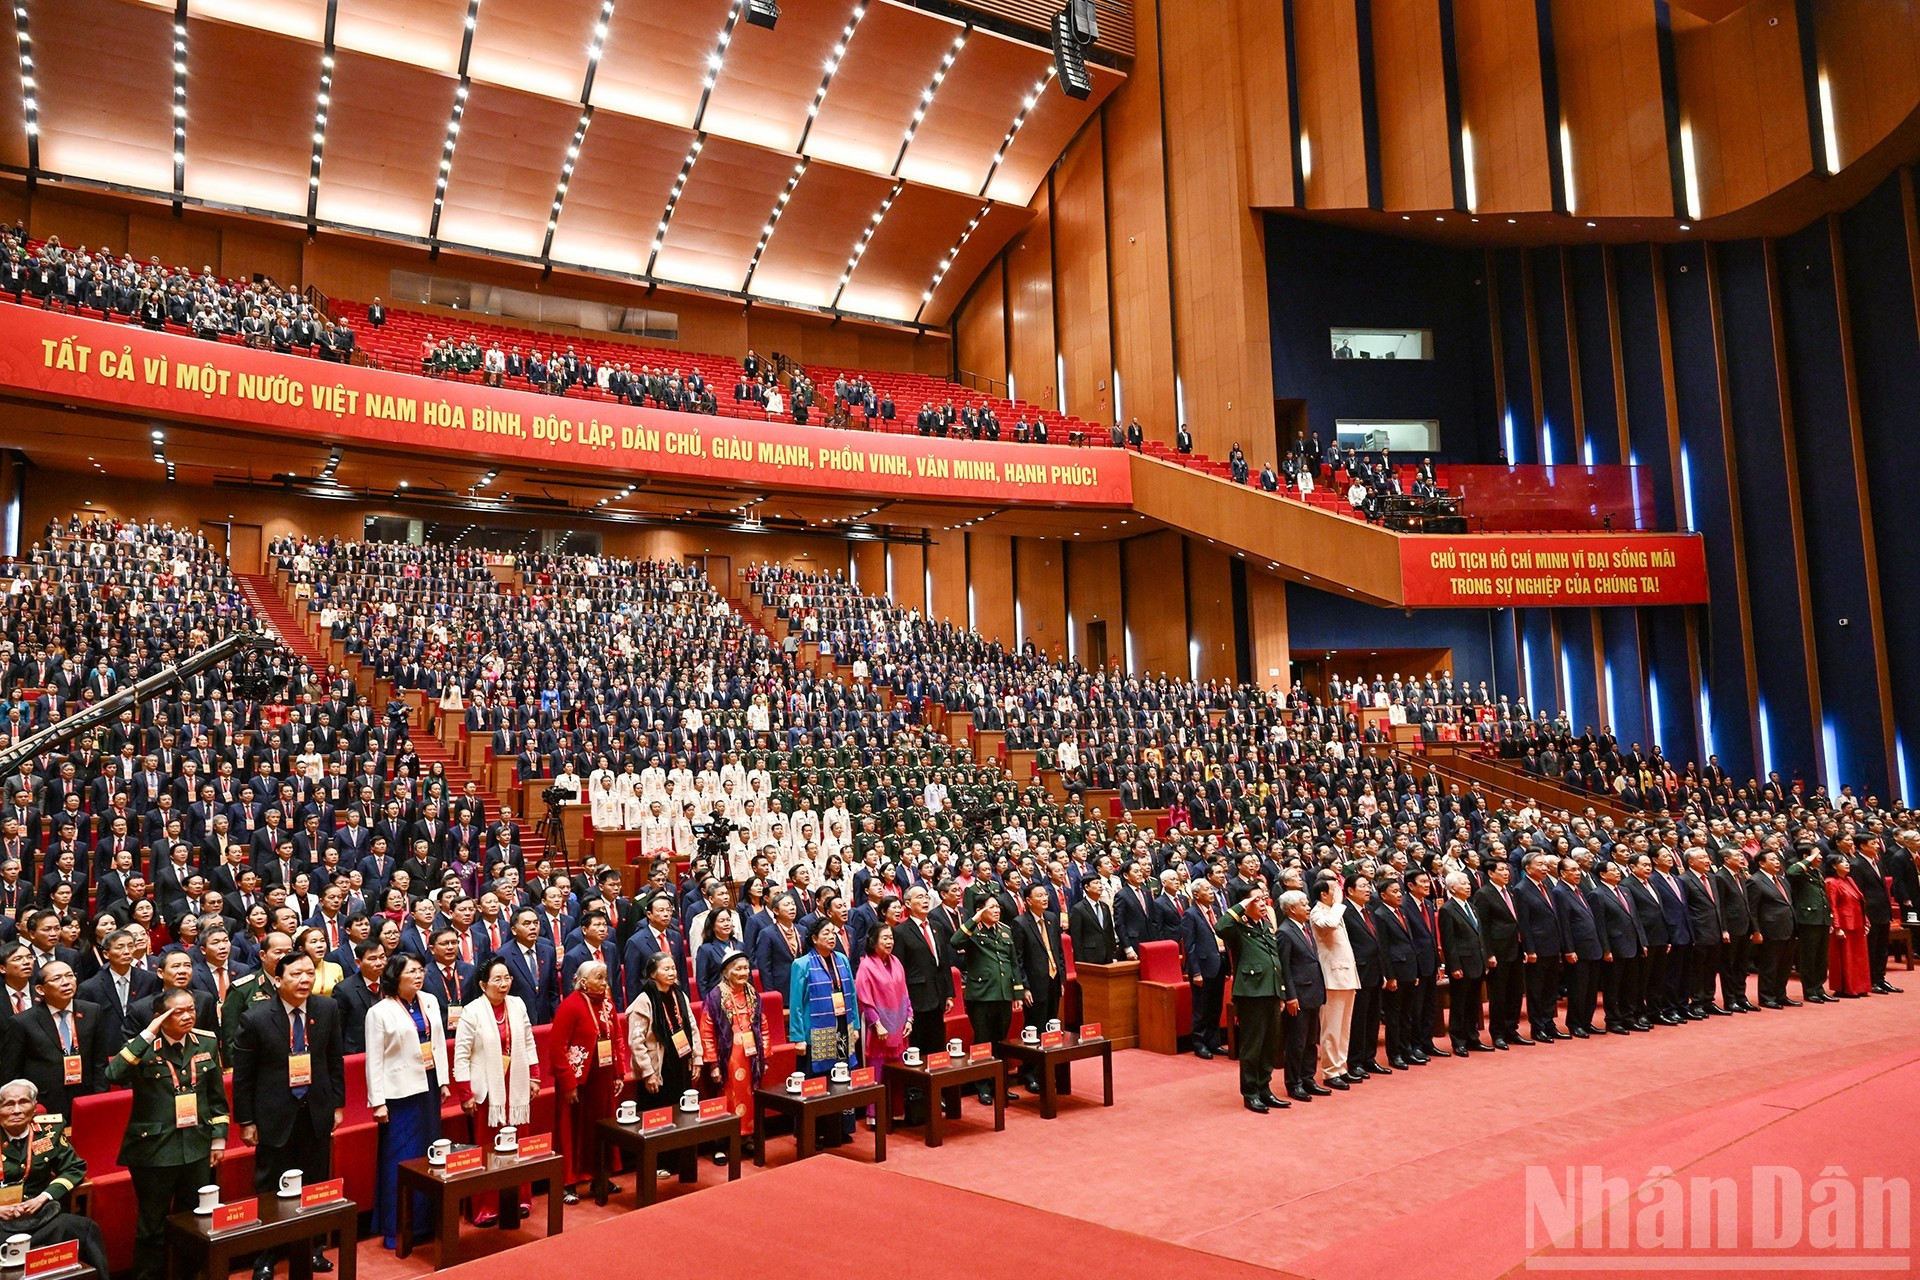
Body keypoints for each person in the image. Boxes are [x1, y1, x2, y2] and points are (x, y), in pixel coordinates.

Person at [230, 951, 346, 1280]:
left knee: (315, 1181)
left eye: (310, 973)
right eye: (296, 974)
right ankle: (266, 1254)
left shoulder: (327, 1009)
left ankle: (312, 1249)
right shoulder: (256, 1017)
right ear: (278, 980)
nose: (305, 980)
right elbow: (243, 1077)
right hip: (273, 1115)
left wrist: (338, 1104)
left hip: (316, 1111)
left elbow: (334, 1060)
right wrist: (247, 1121)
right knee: (270, 1187)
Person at [103, 989, 228, 1280]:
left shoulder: (206, 1042)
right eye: (177, 1012)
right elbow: (112, 1074)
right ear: (160, 1015)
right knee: (153, 1226)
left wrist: (218, 1140)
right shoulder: (144, 1046)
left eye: (191, 1009)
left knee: (194, 1220)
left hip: (196, 1146)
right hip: (154, 1150)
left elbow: (217, 1099)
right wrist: (148, 1033)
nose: (187, 1016)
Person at [365, 954, 449, 1250]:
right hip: (398, 1094)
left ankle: (426, 1221)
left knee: (430, 1154)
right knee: (400, 1158)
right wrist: (378, 1101)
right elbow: (373, 1060)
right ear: (395, 976)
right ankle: (396, 1226)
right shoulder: (380, 1011)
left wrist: (444, 1081)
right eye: (411, 971)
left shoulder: (429, 1000)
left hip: (428, 1086)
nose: (418, 975)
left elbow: (437, 1042)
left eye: (420, 970)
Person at [451, 956, 539, 1227]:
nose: (504, 985)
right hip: (488, 1089)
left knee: (517, 1142)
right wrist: (465, 1094)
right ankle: (486, 1206)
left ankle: (518, 1198)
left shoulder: (518, 1004)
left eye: (507, 978)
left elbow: (528, 1039)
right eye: (497, 980)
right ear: (482, 984)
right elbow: (461, 1055)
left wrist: (535, 1076)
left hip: (517, 1084)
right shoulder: (472, 1011)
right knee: (490, 1148)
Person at [0, 1080, 108, 1280]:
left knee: (86, 1229)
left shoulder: (49, 1131)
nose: (16, 1110)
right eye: (9, 1104)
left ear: (33, 1107)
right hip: (1, 1221)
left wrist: (44, 1197)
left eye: (23, 1102)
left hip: (40, 1216)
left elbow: (74, 1167)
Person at [548, 960, 623, 1201]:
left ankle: (600, 1175)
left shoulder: (609, 1006)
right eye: (598, 978)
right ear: (582, 981)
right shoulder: (570, 1006)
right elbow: (557, 1047)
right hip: (577, 1079)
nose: (604, 982)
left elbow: (617, 1040)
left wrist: (619, 1072)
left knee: (602, 1126)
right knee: (571, 1130)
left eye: (605, 977)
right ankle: (567, 1183)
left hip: (602, 1076)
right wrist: (568, 1083)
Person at [1214, 887, 1292, 1112]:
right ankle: (1250, 1093)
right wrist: (1242, 904)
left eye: (1263, 899)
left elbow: (1275, 962)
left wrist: (1282, 993)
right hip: (1251, 993)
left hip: (1271, 992)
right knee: (1253, 1046)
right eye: (1256, 900)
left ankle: (1264, 1088)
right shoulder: (1238, 927)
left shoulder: (1266, 926)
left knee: (1269, 1044)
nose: (1262, 903)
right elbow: (1220, 927)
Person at [4, 961, 103, 1125]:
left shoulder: (92, 1011)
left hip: (85, 1097)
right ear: (40, 989)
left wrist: (99, 1097)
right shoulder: (22, 1022)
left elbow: (99, 1061)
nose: (66, 982)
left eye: (70, 976)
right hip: (45, 1103)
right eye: (57, 978)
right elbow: (12, 1073)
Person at [948, 899, 1021, 1105]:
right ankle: (983, 1086)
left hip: (1003, 994)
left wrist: (1017, 993)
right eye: (992, 907)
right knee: (983, 1041)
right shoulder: (973, 930)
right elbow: (955, 941)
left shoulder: (1005, 930)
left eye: (998, 907)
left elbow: (1013, 962)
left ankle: (1001, 1084)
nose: (997, 910)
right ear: (980, 910)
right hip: (981, 996)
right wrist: (975, 919)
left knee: (1001, 1041)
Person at [627, 950, 702, 1141]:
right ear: (653, 974)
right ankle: (659, 1161)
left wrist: (697, 1058)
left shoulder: (679, 994)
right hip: (657, 1067)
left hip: (681, 1061)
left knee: (681, 1111)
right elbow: (636, 1041)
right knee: (658, 1116)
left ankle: (680, 1156)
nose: (672, 973)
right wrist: (647, 1072)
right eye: (666, 969)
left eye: (674, 968)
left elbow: (692, 1026)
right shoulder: (643, 1001)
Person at [697, 953, 767, 1153]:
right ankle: (722, 1144)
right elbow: (707, 1032)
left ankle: (747, 1138)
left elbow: (763, 1025)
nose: (743, 973)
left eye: (746, 968)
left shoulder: (752, 993)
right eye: (738, 969)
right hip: (728, 1058)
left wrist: (765, 1057)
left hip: (750, 1056)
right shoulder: (715, 996)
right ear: (726, 972)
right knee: (726, 1098)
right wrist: (713, 1063)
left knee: (750, 1096)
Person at [1307, 877, 1361, 1087]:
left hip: (1348, 974)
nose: (1339, 892)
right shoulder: (1317, 912)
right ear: (1324, 894)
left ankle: (1340, 1065)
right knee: (1331, 1027)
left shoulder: (1334, 910)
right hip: (1332, 977)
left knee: (1344, 1026)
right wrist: (1339, 903)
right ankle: (1330, 1071)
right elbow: (1328, 925)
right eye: (1335, 889)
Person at [1274, 889, 1327, 1102]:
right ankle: (1294, 1083)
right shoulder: (1285, 932)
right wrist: (1290, 997)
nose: (1308, 907)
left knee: (1310, 1041)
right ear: (1291, 909)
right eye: (1304, 904)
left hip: (1313, 991)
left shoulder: (1305, 927)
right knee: (1296, 1042)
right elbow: (1284, 968)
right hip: (1298, 994)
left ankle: (1308, 1078)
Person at [853, 923, 909, 1100]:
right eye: (884, 938)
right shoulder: (866, 966)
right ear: (873, 941)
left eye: (891, 937)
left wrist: (909, 1019)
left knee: (898, 1070)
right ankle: (875, 1115)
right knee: (877, 1070)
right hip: (876, 1027)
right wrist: (877, 1024)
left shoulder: (897, 962)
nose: (889, 941)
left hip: (898, 1025)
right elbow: (864, 998)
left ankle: (896, 1112)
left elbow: (905, 993)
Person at [1438, 871, 1493, 1053]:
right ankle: (1458, 1039)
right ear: (1453, 888)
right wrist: (1454, 966)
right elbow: (1449, 941)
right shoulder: (1447, 909)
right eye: (1463, 883)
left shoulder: (1472, 907)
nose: (1468, 886)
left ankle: (1472, 1037)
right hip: (1461, 964)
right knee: (1459, 1003)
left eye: (1468, 883)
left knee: (1473, 1002)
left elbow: (1481, 935)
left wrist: (1485, 960)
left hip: (1477, 961)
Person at [1181, 881, 1226, 1058]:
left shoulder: (1215, 910)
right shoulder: (1190, 914)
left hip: (1219, 963)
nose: (1211, 892)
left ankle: (1213, 1042)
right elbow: (1189, 946)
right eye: (1206, 890)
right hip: (1203, 966)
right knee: (1201, 1008)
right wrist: (1196, 971)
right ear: (1196, 895)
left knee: (1215, 1006)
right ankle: (1199, 1043)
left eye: (1211, 889)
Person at [1826, 856, 1871, 997]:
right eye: (1842, 862)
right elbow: (1832, 907)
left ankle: (1860, 987)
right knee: (1846, 957)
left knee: (1859, 957)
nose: (1847, 864)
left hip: (1857, 922)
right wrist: (1837, 927)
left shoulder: (1850, 880)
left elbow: (1860, 901)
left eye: (1847, 861)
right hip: (1844, 924)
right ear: (1834, 866)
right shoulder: (1831, 882)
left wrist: (1866, 921)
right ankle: (1846, 988)